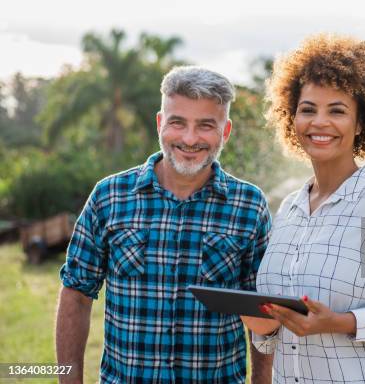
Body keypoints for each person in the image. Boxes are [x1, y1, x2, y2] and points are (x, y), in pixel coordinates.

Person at [55, 66, 273, 383]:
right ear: (160, 124)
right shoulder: (109, 196)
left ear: (225, 132)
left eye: (205, 126)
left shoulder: (250, 206)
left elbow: (262, 312)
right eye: (177, 122)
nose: (189, 138)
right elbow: (75, 294)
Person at [242, 34, 365, 383]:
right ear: (292, 117)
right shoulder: (289, 210)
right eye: (308, 109)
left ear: (361, 123)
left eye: (337, 111)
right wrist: (265, 326)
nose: (320, 123)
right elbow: (277, 335)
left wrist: (340, 323)